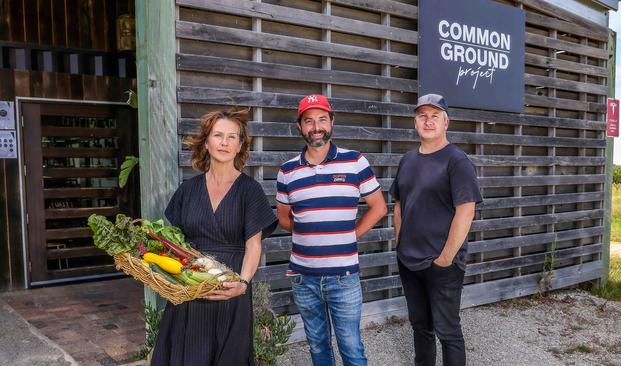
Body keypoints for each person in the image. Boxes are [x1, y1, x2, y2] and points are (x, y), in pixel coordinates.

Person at [151, 108, 278, 366]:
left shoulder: (250, 190)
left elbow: (254, 246)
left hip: (230, 290)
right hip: (190, 287)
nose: (224, 142)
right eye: (218, 135)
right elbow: (175, 244)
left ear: (240, 145)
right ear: (206, 142)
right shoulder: (187, 190)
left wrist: (242, 283)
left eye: (233, 137)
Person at [276, 94, 387, 366]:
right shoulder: (287, 171)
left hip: (344, 277)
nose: (316, 126)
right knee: (318, 347)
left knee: (351, 349)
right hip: (304, 277)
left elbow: (379, 207)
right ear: (300, 126)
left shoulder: (355, 162)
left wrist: (350, 235)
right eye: (309, 121)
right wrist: (311, 233)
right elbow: (284, 219)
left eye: (322, 119)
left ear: (332, 122)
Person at [390, 94, 482, 366]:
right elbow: (398, 204)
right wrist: (400, 244)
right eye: (422, 116)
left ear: (446, 123)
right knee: (420, 327)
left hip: (442, 264)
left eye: (434, 116)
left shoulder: (456, 160)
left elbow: (466, 210)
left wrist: (445, 258)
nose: (428, 121)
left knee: (448, 332)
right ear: (415, 121)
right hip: (409, 260)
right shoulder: (407, 160)